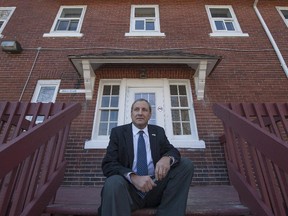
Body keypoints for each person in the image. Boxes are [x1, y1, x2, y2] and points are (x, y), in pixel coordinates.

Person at [98, 98, 194, 216]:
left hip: (154, 188)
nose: (140, 113)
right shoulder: (118, 133)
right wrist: (133, 177)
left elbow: (172, 150)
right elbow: (108, 164)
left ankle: (169, 212)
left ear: (149, 114)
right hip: (128, 191)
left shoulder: (158, 132)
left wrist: (167, 158)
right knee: (113, 182)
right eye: (136, 109)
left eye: (144, 110)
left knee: (185, 164)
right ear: (131, 113)